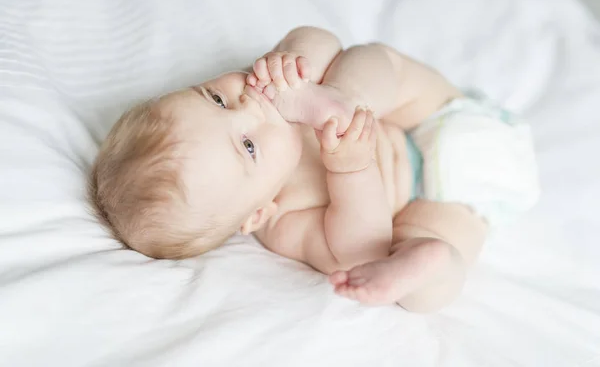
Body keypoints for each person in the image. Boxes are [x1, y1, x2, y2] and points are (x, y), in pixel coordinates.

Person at [89, 26, 538, 312]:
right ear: (256, 214)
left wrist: (296, 63)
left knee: (371, 59)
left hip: (433, 115)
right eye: (247, 146)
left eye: (215, 98)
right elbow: (359, 249)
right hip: (445, 200)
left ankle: (347, 93)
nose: (248, 107)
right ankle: (431, 263)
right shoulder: (283, 222)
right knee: (424, 288)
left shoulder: (272, 84)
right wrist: (351, 170)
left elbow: (321, 38)